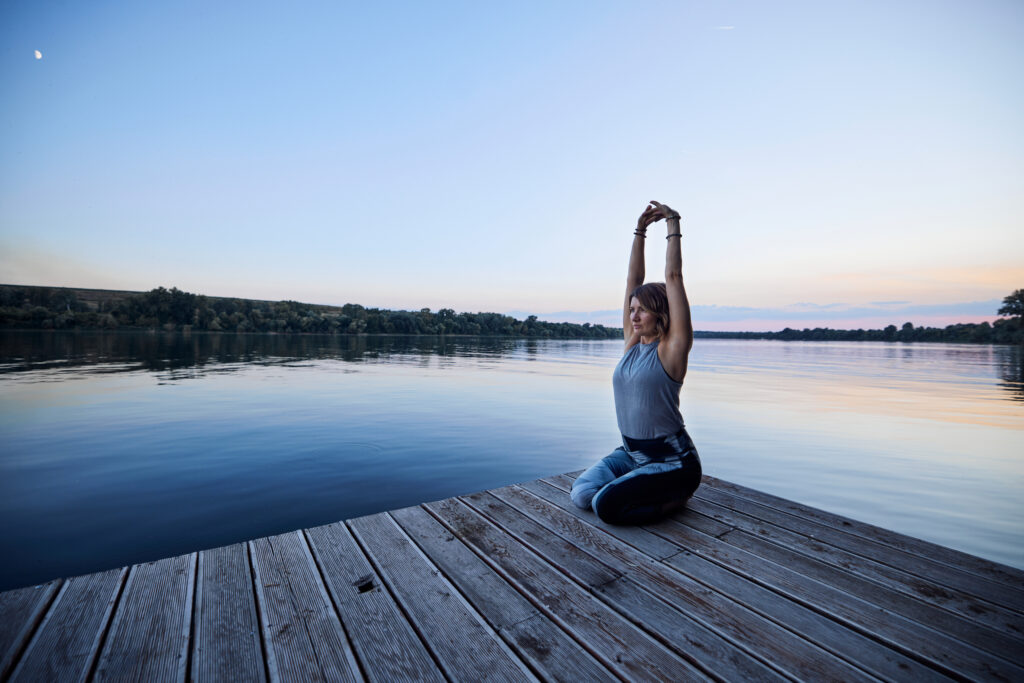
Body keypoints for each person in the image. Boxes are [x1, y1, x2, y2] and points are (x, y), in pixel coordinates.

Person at [570, 200, 702, 524]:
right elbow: (633, 279)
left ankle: (676, 498)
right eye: (631, 310)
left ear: (661, 312)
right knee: (581, 493)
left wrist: (673, 224)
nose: (634, 315)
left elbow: (673, 276)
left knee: (606, 506)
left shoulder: (672, 350)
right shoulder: (632, 342)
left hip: (673, 462)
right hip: (631, 454)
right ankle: (644, 488)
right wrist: (640, 231)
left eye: (642, 309)